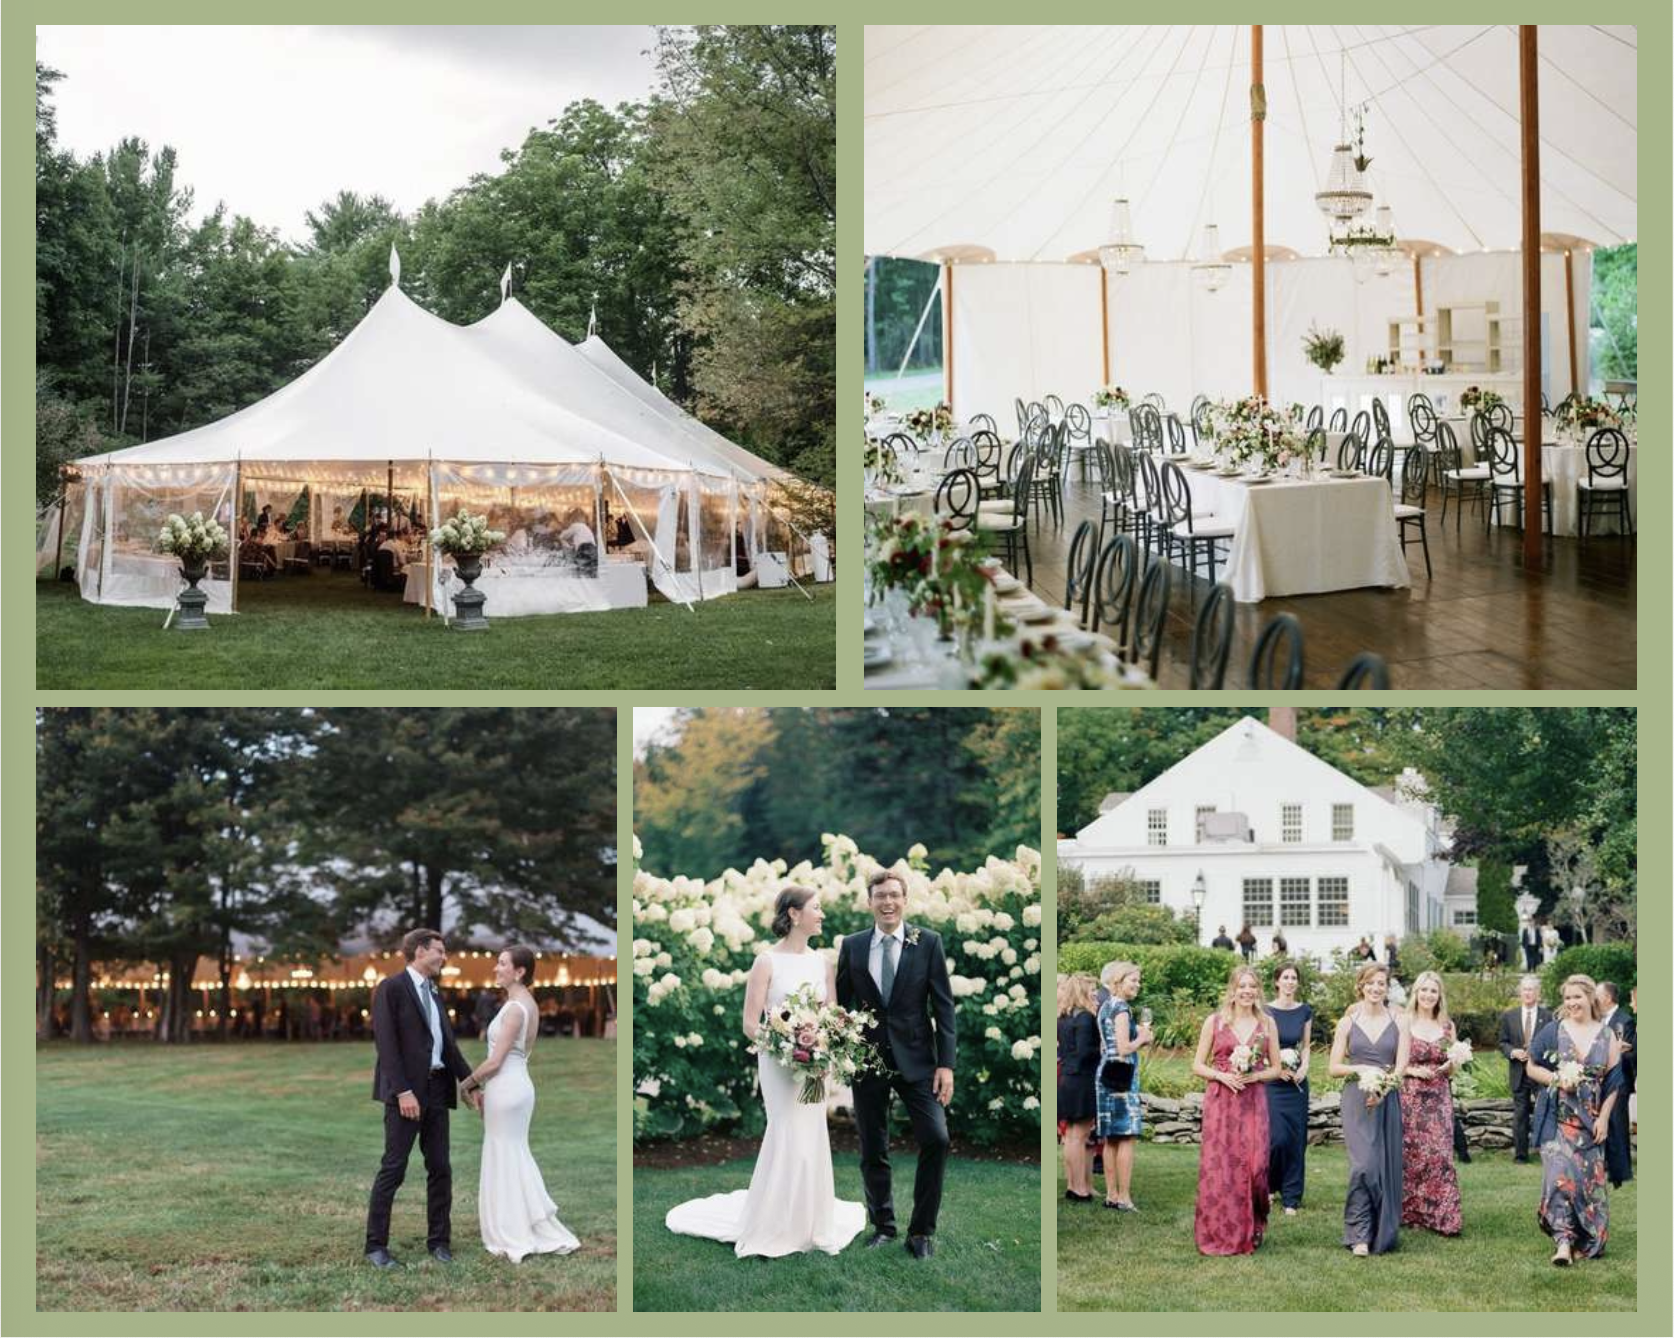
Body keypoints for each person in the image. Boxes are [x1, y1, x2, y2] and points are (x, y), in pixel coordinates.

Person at [667, 886, 866, 1255]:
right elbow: (749, 1023)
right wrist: (788, 1047)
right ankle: (776, 1222)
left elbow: (832, 1017)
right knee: (786, 1130)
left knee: (811, 1135)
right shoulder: (766, 962)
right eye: (816, 908)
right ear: (794, 914)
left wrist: (823, 1047)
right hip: (778, 1063)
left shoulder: (823, 962)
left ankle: (810, 1222)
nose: (822, 915)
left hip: (815, 1065)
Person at [836, 869, 956, 1259]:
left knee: (936, 1138)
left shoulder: (928, 943)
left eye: (894, 895)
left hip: (919, 1060)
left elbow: (944, 1007)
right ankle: (883, 1226)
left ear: (905, 900)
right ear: (869, 902)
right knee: (874, 1145)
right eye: (879, 896)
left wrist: (946, 1065)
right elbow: (840, 1005)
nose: (887, 902)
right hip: (867, 1059)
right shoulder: (852, 946)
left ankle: (921, 1232)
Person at [364, 929, 479, 1269]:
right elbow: (386, 1046)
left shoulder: (434, 991)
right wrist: (402, 1092)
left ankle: (440, 1242)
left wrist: (470, 1083)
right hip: (406, 1095)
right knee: (393, 1169)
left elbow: (448, 1046)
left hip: (437, 1092)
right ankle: (375, 1247)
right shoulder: (392, 989)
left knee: (440, 1168)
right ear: (419, 951)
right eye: (439, 952)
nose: (444, 958)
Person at [459, 945, 579, 1261]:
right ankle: (520, 1220)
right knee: (511, 1152)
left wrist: (467, 1083)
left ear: (520, 971)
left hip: (508, 1088)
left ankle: (514, 1228)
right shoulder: (522, 1003)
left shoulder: (516, 1009)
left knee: (506, 1152)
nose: (496, 968)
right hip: (513, 1086)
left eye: (502, 964)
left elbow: (496, 1061)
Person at [1527, 974, 1624, 1265]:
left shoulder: (1608, 1036)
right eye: (1567, 998)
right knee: (1559, 1180)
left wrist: (1604, 1119)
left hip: (1591, 1122)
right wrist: (1556, 1078)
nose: (1571, 1003)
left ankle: (1585, 1236)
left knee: (1586, 1186)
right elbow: (1531, 1066)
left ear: (1590, 998)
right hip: (1558, 1120)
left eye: (1577, 997)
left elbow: (1614, 1083)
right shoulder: (1554, 1031)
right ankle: (1563, 1243)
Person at [1192, 964, 1280, 1254]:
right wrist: (1222, 1075)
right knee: (1223, 1169)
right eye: (1242, 986)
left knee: (1256, 1168)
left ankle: (1255, 1222)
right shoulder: (1215, 1021)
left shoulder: (1267, 1024)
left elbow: (1276, 1068)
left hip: (1253, 1101)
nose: (1247, 991)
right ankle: (1220, 1231)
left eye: (1252, 986)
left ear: (1258, 990)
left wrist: (1254, 1075)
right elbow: (1197, 1065)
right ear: (1232, 989)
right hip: (1221, 1101)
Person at [1329, 961, 1409, 1256]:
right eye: (1371, 983)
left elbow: (1401, 1066)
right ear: (1361, 985)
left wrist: (1384, 1088)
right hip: (1356, 1100)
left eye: (1381, 984)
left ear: (1387, 989)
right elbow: (1334, 1067)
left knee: (1383, 1167)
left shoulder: (1400, 1020)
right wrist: (1363, 1068)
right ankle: (1359, 1233)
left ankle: (1379, 1230)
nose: (1376, 988)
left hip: (1386, 1100)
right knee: (1363, 1166)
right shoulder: (1348, 1022)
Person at [1400, 971, 1462, 1235]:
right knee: (1412, 1155)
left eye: (1433, 991)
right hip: (1410, 1097)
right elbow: (1396, 1064)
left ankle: (1443, 1216)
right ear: (1416, 993)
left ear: (1439, 996)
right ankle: (1411, 1214)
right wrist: (1414, 1071)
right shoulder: (1404, 1022)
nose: (1427, 995)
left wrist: (1451, 1065)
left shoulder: (1447, 1026)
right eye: (1423, 990)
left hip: (1438, 1098)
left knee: (1439, 1155)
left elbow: (1455, 1065)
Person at [1095, 960, 1151, 1211]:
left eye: (1138, 981)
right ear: (1119, 981)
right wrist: (1142, 1037)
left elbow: (1104, 1046)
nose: (1137, 985)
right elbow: (1123, 1047)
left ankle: (1111, 1195)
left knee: (1112, 1139)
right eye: (1133, 980)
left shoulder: (1105, 1005)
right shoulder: (1122, 1009)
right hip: (1122, 1075)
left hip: (1106, 1073)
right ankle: (1124, 1198)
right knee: (1126, 1136)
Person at [1265, 960, 1313, 1215]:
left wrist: (1304, 1067)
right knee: (1276, 1139)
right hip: (1272, 1082)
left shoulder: (1304, 1010)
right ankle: (1270, 1184)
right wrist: (1276, 1069)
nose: (1290, 982)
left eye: (1294, 978)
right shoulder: (1265, 1011)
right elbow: (1260, 1047)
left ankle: (1292, 1197)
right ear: (1276, 982)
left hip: (1296, 1084)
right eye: (1285, 977)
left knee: (1296, 1140)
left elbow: (1305, 1045)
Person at [1498, 974, 1554, 1163]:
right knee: (1520, 1114)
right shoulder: (1509, 1016)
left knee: (1545, 1110)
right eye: (1525, 989)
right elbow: (1502, 1042)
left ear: (1538, 993)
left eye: (1531, 989)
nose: (1528, 993)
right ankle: (1521, 1155)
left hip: (1540, 1071)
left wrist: (1537, 1053)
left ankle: (1547, 1151)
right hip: (1518, 1072)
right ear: (1520, 993)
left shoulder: (1548, 1016)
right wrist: (1513, 1052)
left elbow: (1554, 1043)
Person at [1057, 974, 1101, 1203]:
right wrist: (1103, 1048)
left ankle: (1075, 1186)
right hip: (1082, 1079)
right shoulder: (1084, 1017)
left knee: (1072, 1136)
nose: (1095, 993)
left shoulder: (1063, 1017)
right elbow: (1084, 1052)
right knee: (1078, 1136)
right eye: (1092, 989)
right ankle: (1079, 1189)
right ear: (1082, 991)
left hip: (1067, 1077)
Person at [1596, 981, 1635, 1187]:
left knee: (1618, 1125)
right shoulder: (1598, 1021)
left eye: (1597, 995)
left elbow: (1629, 1052)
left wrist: (1620, 1050)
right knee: (1605, 1124)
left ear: (1607, 998)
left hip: (1619, 1081)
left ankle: (1622, 1171)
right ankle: (1606, 1166)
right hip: (1601, 1081)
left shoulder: (1624, 1021)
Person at [558, 512, 599, 577]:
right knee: (590, 570)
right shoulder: (586, 527)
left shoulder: (575, 526)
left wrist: (564, 541)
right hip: (593, 549)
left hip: (583, 549)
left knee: (578, 567)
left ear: (572, 520)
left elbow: (562, 536)